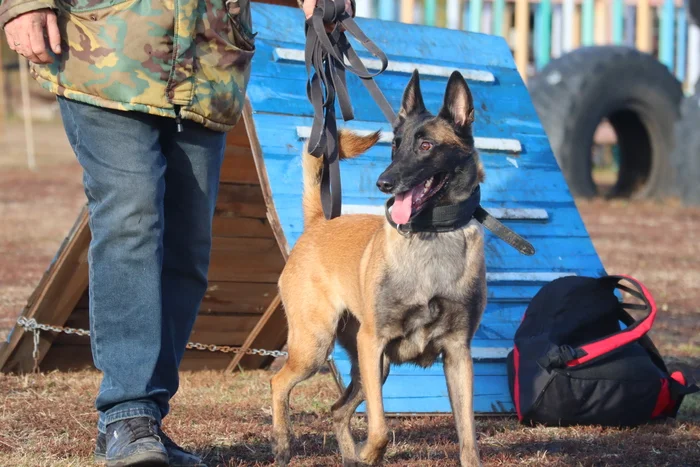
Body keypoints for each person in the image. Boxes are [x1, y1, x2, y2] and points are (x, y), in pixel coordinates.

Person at [0, 0, 351, 465]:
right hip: (107, 47)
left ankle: (145, 421)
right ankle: (126, 411)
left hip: (210, 64)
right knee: (132, 215)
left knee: (188, 251)